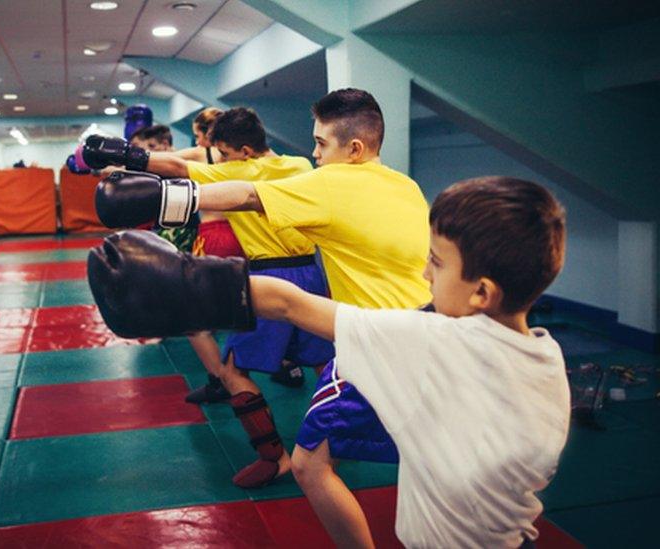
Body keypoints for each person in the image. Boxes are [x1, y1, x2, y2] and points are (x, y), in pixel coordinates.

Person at [87, 175, 570, 548]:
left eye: (437, 263)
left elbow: (290, 304)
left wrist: (182, 283)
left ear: (482, 292)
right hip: (511, 537)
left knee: (312, 460)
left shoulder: (430, 342)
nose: (423, 271)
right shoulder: (547, 357)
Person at [91, 89, 435, 540]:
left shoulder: (333, 180)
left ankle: (282, 460)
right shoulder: (403, 184)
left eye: (321, 143)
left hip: (377, 339)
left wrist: (160, 202)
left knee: (310, 467)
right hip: (428, 327)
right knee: (428, 451)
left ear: (353, 149)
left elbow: (247, 194)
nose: (313, 154)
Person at [80, 107, 331, 488]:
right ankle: (330, 452)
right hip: (311, 274)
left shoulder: (237, 171)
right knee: (325, 367)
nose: (221, 160)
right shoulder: (300, 165)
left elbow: (177, 168)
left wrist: (123, 154)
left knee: (231, 370)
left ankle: (274, 458)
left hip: (266, 278)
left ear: (244, 151)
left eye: (226, 154)